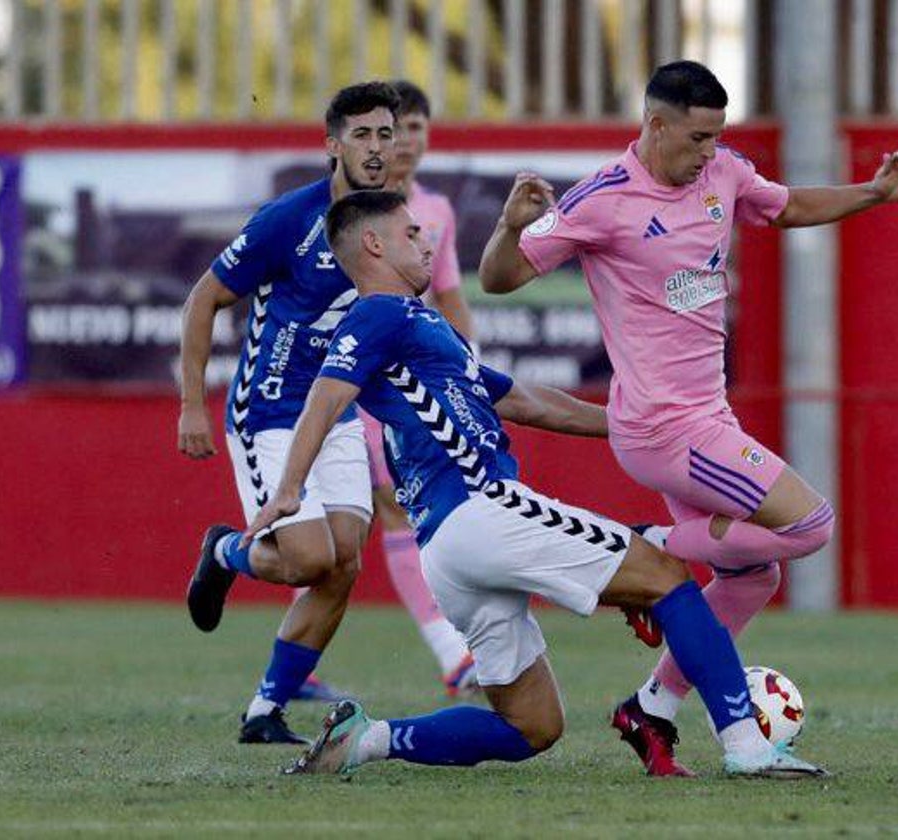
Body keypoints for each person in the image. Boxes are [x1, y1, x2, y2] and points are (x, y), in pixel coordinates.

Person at [244, 189, 824, 779]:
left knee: (532, 727)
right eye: (412, 233)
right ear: (374, 244)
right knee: (667, 576)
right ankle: (747, 748)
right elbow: (328, 391)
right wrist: (290, 489)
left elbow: (527, 401)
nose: (426, 242)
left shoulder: (421, 329)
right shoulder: (378, 313)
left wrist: (630, 427)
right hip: (482, 507)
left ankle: (367, 739)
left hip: (447, 551)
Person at [477, 60, 898, 776]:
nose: (708, 152)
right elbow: (499, 280)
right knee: (812, 525)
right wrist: (510, 230)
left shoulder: (723, 173)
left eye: (717, 136)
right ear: (655, 125)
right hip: (664, 428)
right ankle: (645, 541)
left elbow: (786, 208)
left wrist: (874, 194)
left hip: (704, 418)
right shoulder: (602, 199)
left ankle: (652, 708)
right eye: (696, 137)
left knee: (754, 578)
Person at [178, 81, 400, 745]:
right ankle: (224, 551)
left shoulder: (388, 222)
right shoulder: (288, 220)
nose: (375, 147)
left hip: (333, 414)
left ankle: (263, 712)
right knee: (307, 559)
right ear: (332, 144)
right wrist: (192, 401)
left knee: (347, 563)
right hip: (269, 410)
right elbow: (202, 299)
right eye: (361, 134)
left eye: (385, 134)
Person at [357, 79, 479, 695]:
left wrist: (470, 364)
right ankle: (451, 650)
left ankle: (455, 647)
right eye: (396, 129)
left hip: (409, 382)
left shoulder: (436, 212)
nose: (407, 142)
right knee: (349, 521)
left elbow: (450, 296)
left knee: (406, 505)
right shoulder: (349, 209)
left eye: (417, 129)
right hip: (347, 377)